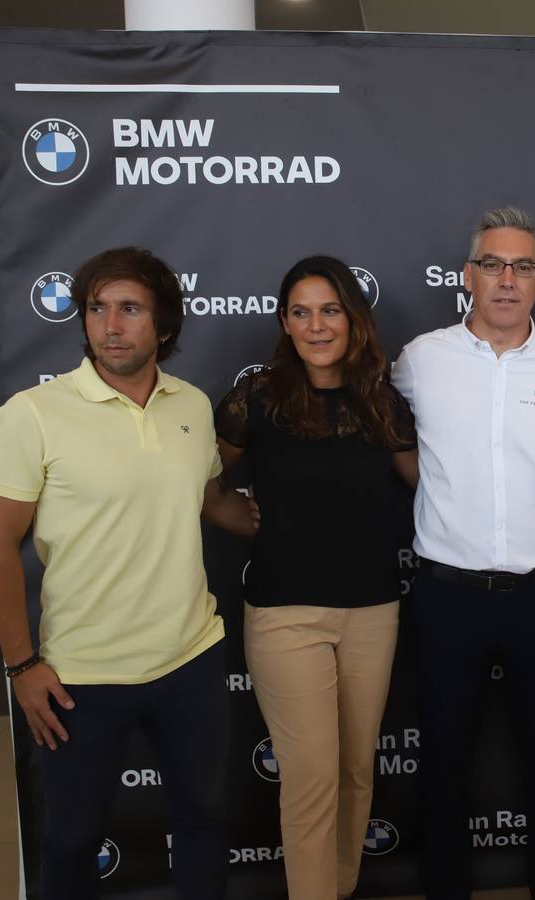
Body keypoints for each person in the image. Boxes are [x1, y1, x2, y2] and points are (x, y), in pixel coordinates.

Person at [0, 247, 256, 900]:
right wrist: (22, 665)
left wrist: (292, 519)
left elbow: (211, 500)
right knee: (71, 841)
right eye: (97, 309)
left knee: (205, 824)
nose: (110, 325)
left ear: (163, 326)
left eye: (129, 308)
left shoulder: (190, 405)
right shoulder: (33, 414)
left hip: (191, 659)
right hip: (81, 673)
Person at [390, 207, 535, 900]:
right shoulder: (421, 360)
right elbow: (388, 438)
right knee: (445, 760)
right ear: (468, 276)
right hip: (447, 595)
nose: (506, 280)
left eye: (521, 267)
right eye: (492, 265)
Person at [214, 256, 416, 900]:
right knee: (311, 779)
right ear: (284, 323)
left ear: (353, 319)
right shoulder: (257, 400)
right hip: (284, 614)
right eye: (301, 312)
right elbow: (198, 480)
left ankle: (340, 888)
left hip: (373, 611)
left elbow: (433, 491)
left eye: (330, 310)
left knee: (357, 772)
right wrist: (242, 519)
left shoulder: (384, 404)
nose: (316, 325)